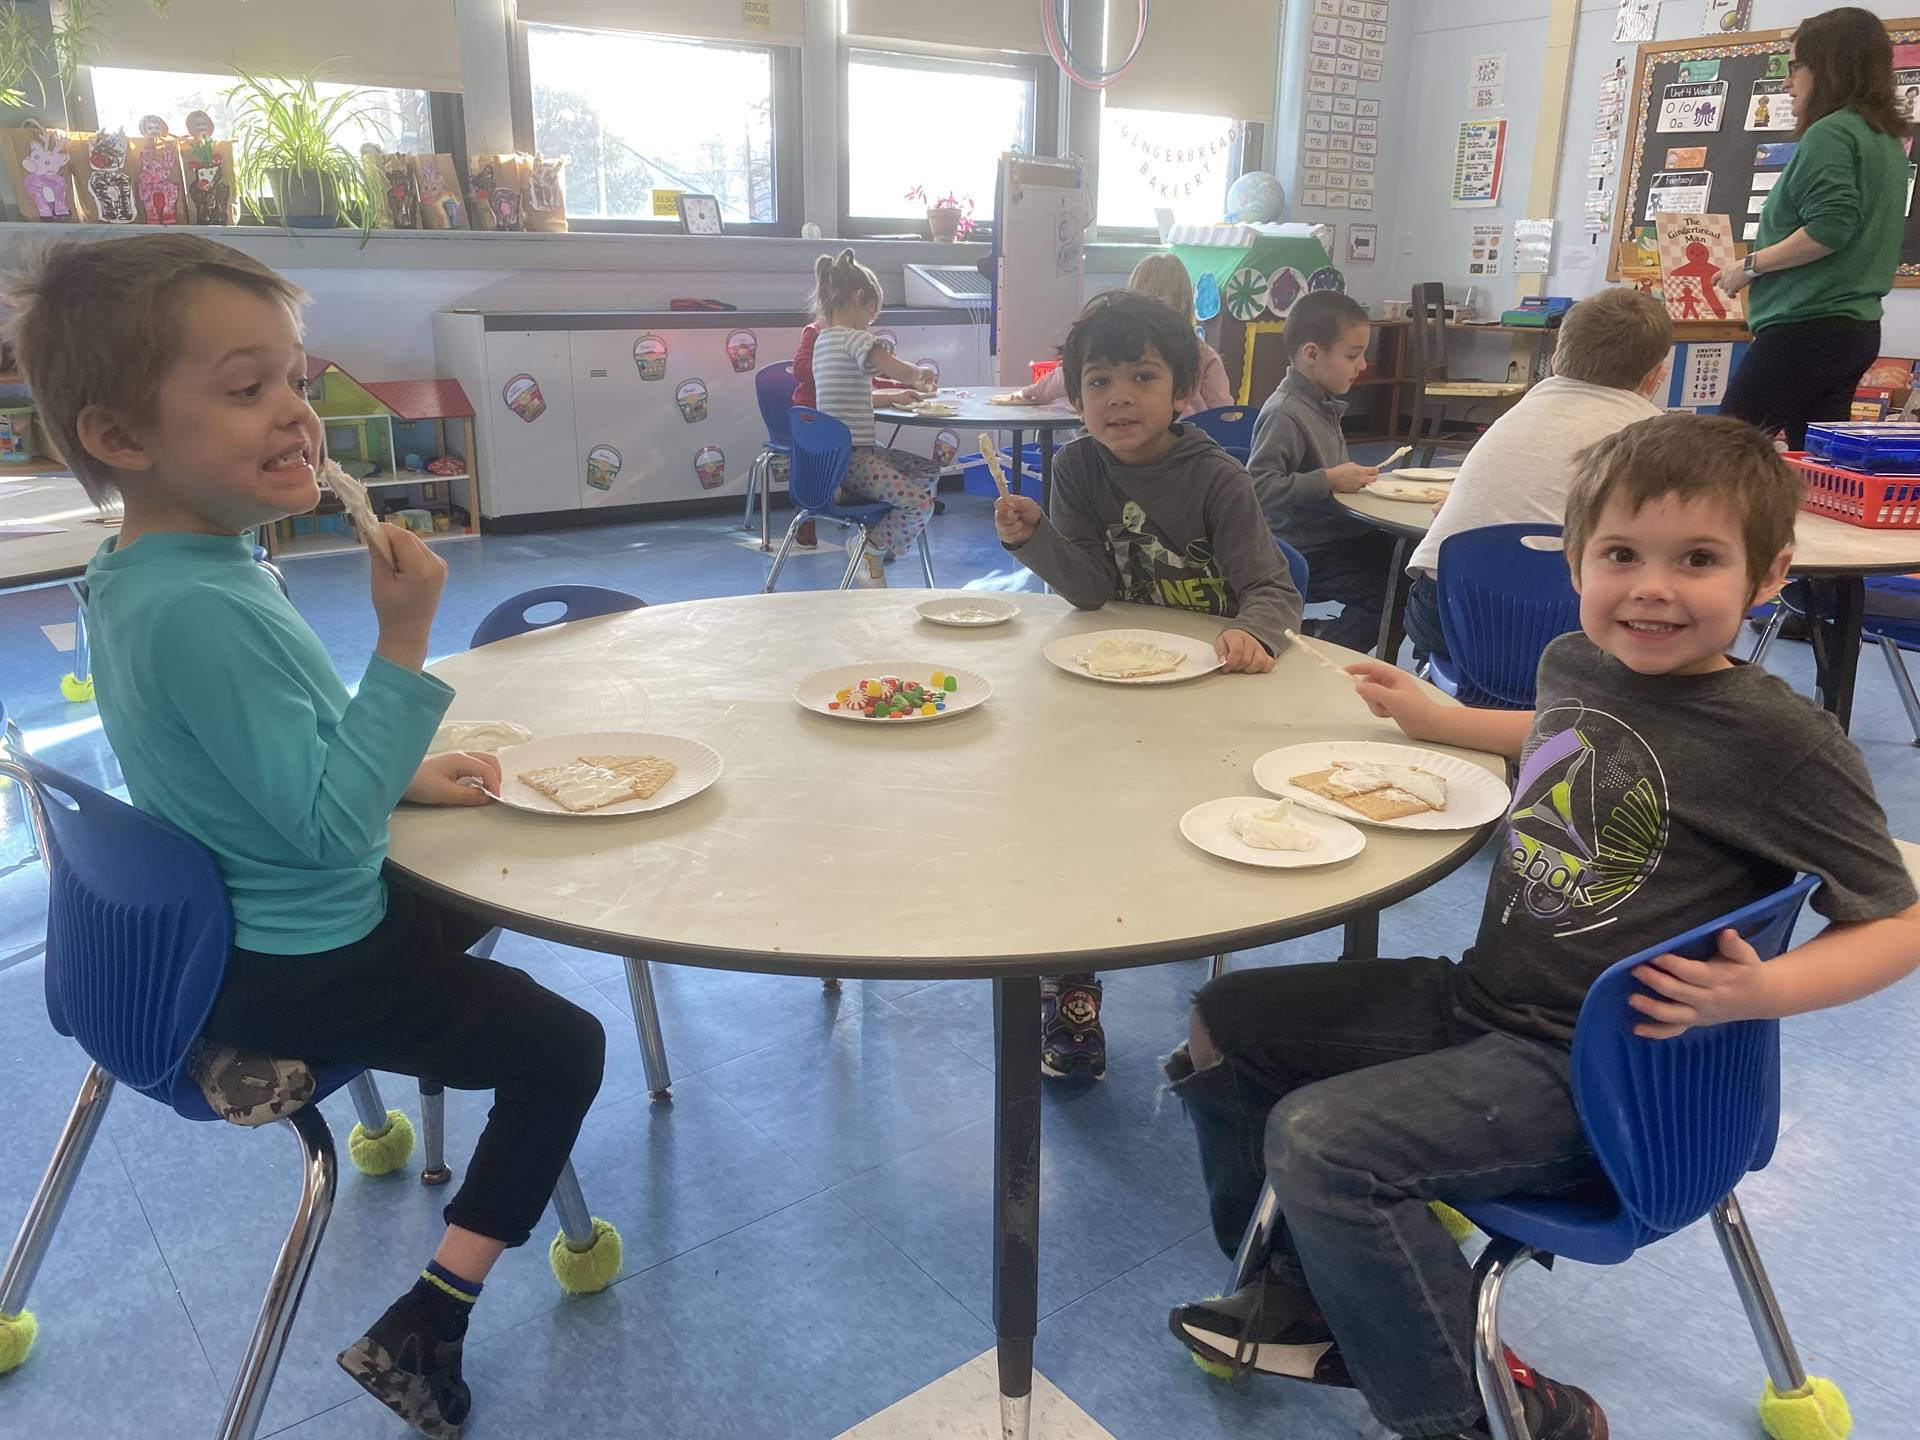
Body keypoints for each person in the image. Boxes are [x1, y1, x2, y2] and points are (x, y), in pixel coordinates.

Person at [1164, 412, 1920, 1440]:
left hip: (1601, 1077)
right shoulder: (1579, 658)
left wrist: (1766, 991)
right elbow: (1562, 728)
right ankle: (1309, 1295)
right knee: (1228, 1018)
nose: (1651, 587)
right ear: (1577, 561)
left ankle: (1481, 1414)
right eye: (1621, 555)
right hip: (1484, 1002)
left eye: (1697, 559)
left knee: (1324, 1143)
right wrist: (1443, 723)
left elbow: (1899, 918)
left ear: (1769, 576)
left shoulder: (1783, 741)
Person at [4, 233, 608, 1440]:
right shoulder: (205, 610)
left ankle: (354, 1072)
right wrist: (402, 644)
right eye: (245, 390)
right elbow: (331, 832)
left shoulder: (155, 572)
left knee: (487, 875)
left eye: (293, 377)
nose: (299, 414)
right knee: (562, 1045)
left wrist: (401, 769)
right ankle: (430, 1320)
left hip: (230, 929)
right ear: (121, 438)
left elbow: (273, 765)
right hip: (302, 960)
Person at [993, 288, 1303, 1079]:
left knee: (1194, 848)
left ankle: (1214, 1015)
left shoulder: (1217, 480)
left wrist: (1252, 631)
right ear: (1075, 393)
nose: (1119, 397)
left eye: (1141, 377)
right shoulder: (1083, 468)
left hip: (1210, 702)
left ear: (1180, 393)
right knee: (1073, 827)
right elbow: (1092, 589)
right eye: (1098, 381)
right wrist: (1037, 543)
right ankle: (1073, 989)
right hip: (1106, 692)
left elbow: (1275, 590)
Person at [1403, 287, 1672, 663]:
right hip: (1559, 636)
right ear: (1655, 378)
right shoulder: (1656, 437)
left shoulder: (1521, 409)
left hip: (1446, 616)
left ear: (1557, 359)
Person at [1713, 6, 1909, 448]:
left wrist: (1749, 267)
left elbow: (1830, 228)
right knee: (1814, 462)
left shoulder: (1831, 133)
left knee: (1718, 450)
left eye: (1796, 66)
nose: (1787, 81)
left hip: (1807, 326)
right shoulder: (1884, 139)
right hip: (1854, 328)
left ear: (1829, 67)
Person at [1246, 291, 1386, 653]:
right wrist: (1327, 480)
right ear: (1311, 354)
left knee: (1409, 565)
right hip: (1302, 547)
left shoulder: (1322, 402)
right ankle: (1311, 650)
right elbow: (1258, 487)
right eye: (1353, 355)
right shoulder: (1286, 413)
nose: (1363, 365)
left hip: (1334, 534)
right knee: (1384, 597)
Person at [807, 248, 942, 586]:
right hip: (855, 460)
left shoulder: (823, 341)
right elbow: (899, 370)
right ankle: (872, 547)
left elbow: (847, 395)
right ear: (859, 298)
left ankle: (881, 537)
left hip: (834, 460)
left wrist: (890, 395)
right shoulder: (856, 340)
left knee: (928, 469)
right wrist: (919, 374)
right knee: (921, 506)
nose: (872, 321)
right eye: (872, 312)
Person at [1011, 253, 1234, 416]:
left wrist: (1033, 392)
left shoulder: (1115, 343)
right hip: (1193, 446)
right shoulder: (1203, 351)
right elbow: (1224, 410)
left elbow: (1069, 374)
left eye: (1144, 377)